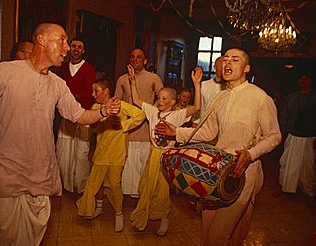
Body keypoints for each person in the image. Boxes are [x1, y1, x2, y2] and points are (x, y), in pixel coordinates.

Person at [0, 23, 121, 245]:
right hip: (9, 168)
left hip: (41, 169)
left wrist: (104, 111)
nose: (66, 47)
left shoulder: (58, 84)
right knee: (5, 234)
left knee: (35, 232)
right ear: (41, 40)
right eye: (62, 40)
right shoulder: (5, 71)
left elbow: (79, 115)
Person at [155, 48, 281, 245]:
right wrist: (176, 133)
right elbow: (207, 132)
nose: (227, 63)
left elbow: (274, 136)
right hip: (216, 173)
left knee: (219, 236)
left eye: (235, 59)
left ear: (246, 67)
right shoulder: (220, 98)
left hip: (243, 174)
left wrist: (250, 154)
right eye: (225, 59)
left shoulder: (260, 98)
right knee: (207, 233)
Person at [129, 64, 202, 236]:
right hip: (153, 154)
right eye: (159, 97)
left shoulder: (176, 115)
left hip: (167, 157)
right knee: (147, 186)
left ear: (173, 102)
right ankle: (145, 213)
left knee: (161, 190)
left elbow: (196, 107)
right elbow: (137, 100)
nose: (160, 101)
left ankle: (164, 217)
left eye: (164, 99)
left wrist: (197, 85)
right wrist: (133, 82)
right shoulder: (153, 111)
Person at [76, 77, 145, 232]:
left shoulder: (120, 105)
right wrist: (97, 122)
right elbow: (94, 129)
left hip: (117, 152)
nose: (94, 94)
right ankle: (98, 208)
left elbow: (140, 115)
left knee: (114, 184)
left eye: (96, 91)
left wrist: (123, 125)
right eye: (93, 91)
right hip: (101, 152)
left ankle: (118, 213)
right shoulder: (96, 107)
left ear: (106, 91)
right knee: (95, 182)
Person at [115, 48, 163, 198]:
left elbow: (163, 98)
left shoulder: (154, 78)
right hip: (129, 129)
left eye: (139, 57)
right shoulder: (122, 79)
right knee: (129, 163)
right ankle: (129, 192)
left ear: (145, 60)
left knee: (144, 163)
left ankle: (143, 194)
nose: (135, 59)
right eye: (132, 56)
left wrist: (152, 112)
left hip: (147, 129)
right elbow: (118, 102)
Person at [54, 37, 96, 193]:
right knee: (64, 151)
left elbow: (88, 94)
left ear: (83, 51)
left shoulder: (88, 68)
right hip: (66, 116)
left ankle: (81, 187)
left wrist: (71, 96)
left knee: (81, 153)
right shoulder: (62, 68)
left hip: (84, 115)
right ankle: (64, 184)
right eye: (74, 46)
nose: (76, 49)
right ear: (70, 48)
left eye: (80, 47)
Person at [279, 75, 316, 206]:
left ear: (311, 82)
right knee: (287, 163)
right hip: (293, 135)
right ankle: (286, 189)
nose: (303, 81)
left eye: (306, 79)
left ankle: (310, 192)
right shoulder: (292, 97)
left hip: (310, 137)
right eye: (301, 79)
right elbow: (284, 116)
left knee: (309, 167)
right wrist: (282, 134)